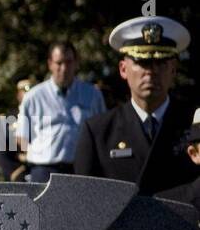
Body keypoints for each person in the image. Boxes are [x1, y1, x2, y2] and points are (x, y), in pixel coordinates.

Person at [74, 15, 197, 195]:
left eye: (161, 62)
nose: (151, 71)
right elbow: (83, 199)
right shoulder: (98, 131)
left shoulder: (193, 124)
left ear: (173, 69)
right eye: (142, 62)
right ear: (123, 69)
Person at [14, 42, 106, 183]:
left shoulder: (92, 95)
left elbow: (103, 133)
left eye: (69, 62)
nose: (64, 68)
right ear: (50, 64)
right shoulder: (34, 97)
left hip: (82, 171)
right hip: (44, 171)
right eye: (59, 63)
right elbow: (23, 139)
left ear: (76, 63)